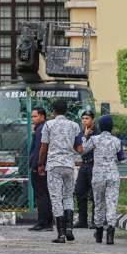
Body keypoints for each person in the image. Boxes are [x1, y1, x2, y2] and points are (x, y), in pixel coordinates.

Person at [39, 98, 81, 243]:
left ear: (53, 110)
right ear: (66, 110)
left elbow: (44, 147)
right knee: (68, 196)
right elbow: (78, 147)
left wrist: (40, 164)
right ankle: (69, 228)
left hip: (54, 165)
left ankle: (61, 234)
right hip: (69, 165)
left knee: (56, 198)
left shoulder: (48, 125)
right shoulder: (74, 126)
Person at [82, 114, 123, 244]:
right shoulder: (117, 141)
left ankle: (99, 233)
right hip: (113, 175)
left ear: (99, 126)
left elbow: (83, 150)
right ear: (111, 127)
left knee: (99, 203)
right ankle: (110, 234)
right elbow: (122, 159)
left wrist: (85, 136)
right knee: (111, 203)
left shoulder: (94, 139)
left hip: (98, 175)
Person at [28, 108, 53, 232]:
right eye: (32, 117)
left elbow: (39, 149)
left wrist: (37, 165)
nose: (33, 119)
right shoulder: (43, 128)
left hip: (39, 167)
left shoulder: (41, 130)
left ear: (42, 116)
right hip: (44, 165)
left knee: (41, 195)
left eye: (35, 116)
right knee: (45, 194)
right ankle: (48, 222)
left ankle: (42, 222)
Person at [74, 110, 96, 228]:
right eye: (83, 119)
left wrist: (87, 137)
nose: (84, 121)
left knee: (94, 193)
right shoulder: (82, 132)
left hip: (94, 164)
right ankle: (82, 220)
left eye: (87, 118)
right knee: (79, 191)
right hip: (84, 164)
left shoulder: (97, 132)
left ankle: (94, 220)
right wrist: (85, 136)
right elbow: (79, 149)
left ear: (92, 120)